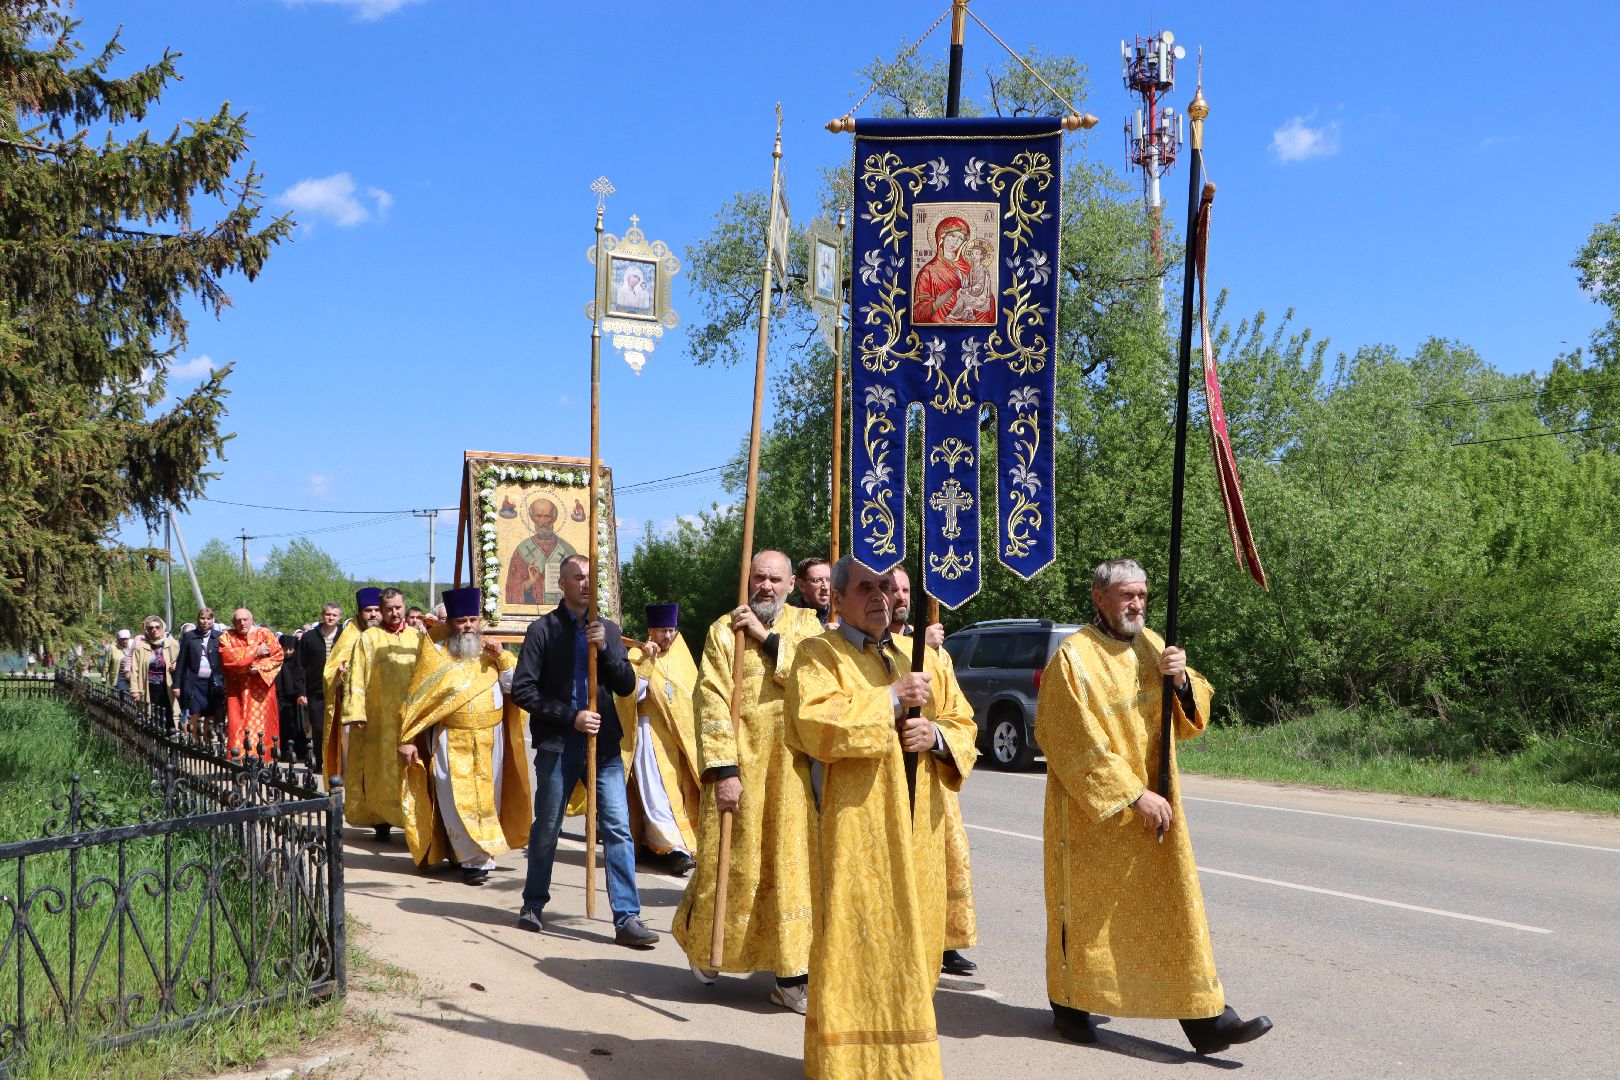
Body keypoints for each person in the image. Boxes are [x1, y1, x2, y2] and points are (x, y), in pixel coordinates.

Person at [1037, 558, 1272, 1055]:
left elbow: (1190, 720)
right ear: (1100, 598)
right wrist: (1132, 794)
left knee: (1174, 915)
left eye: (1142, 595)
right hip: (1094, 819)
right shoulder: (1073, 658)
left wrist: (1182, 680)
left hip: (1157, 812)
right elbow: (1067, 738)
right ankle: (1072, 1003)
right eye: (1127, 595)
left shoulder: (1153, 645)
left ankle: (1207, 1022)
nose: (1138, 604)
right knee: (1089, 916)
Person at [785, 556, 978, 1079]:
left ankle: (908, 1066)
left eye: (886, 588)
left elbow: (963, 722)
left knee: (913, 951)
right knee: (856, 947)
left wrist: (935, 737)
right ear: (839, 598)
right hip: (854, 834)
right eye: (866, 587)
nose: (880, 597)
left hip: (920, 833)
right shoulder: (818, 654)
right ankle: (844, 1064)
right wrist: (890, 700)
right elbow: (815, 723)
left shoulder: (925, 659)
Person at [674, 550, 824, 1013]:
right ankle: (710, 946)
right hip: (742, 770)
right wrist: (725, 771)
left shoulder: (807, 626)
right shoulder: (724, 631)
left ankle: (791, 976)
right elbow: (712, 704)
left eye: (774, 579)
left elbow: (819, 679)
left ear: (789, 584)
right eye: (758, 577)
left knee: (793, 871)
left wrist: (768, 639)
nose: (765, 586)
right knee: (731, 865)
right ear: (748, 580)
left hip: (794, 774)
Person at [510, 554, 656, 947]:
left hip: (603, 744)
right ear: (563, 583)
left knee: (618, 829)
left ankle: (628, 918)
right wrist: (569, 716)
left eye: (592, 577)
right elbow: (523, 689)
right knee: (547, 827)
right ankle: (533, 902)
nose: (586, 583)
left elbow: (626, 685)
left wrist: (607, 648)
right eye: (578, 577)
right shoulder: (542, 630)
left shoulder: (607, 628)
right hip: (559, 742)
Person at [397, 586, 532, 885]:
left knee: (488, 797)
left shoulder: (492, 654)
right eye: (462, 621)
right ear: (451, 623)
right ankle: (470, 860)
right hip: (451, 737)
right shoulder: (437, 656)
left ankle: (479, 853)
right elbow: (416, 701)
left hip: (490, 737)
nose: (468, 626)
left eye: (473, 619)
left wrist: (503, 659)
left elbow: (516, 689)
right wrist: (407, 738)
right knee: (453, 796)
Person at [885, 566, 979, 979]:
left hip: (933, 784)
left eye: (906, 589)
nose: (900, 597)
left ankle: (943, 940)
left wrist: (937, 736)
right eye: (891, 589)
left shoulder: (937, 657)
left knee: (943, 863)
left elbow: (962, 720)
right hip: (881, 787)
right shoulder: (855, 649)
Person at [616, 603, 700, 876]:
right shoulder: (636, 656)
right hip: (646, 730)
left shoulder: (681, 656)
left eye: (672, 630)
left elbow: (692, 693)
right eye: (663, 630)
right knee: (656, 790)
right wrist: (648, 662)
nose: (668, 636)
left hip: (678, 735)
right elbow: (631, 694)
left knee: (682, 787)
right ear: (650, 630)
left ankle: (690, 843)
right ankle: (671, 848)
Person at [339, 587, 423, 841]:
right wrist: (356, 711)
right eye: (388, 609)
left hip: (410, 715)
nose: (394, 613)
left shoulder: (418, 638)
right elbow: (355, 676)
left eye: (398, 607)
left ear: (404, 606)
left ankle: (412, 821)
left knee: (410, 768)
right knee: (379, 769)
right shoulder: (369, 638)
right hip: (378, 717)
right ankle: (380, 820)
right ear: (381, 610)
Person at [321, 588, 382, 786]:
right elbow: (328, 672)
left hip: (383, 705)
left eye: (376, 609)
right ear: (359, 612)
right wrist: (339, 673)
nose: (373, 614)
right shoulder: (350, 635)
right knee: (354, 754)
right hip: (355, 708)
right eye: (368, 610)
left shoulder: (387, 633)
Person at [217, 608, 284, 761]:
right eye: (238, 620)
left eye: (245, 619)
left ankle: (264, 759)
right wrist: (256, 650)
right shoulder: (226, 637)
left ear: (251, 619)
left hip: (262, 691)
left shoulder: (265, 633)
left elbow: (278, 655)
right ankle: (239, 759)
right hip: (238, 690)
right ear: (233, 622)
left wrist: (259, 667)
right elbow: (228, 658)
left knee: (263, 724)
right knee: (238, 723)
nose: (242, 623)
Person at [911, 216, 994, 325]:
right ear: (941, 237)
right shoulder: (928, 272)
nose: (955, 241)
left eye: (960, 238)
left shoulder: (970, 268)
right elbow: (917, 314)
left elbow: (987, 299)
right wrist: (936, 304)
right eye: (952, 235)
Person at [294, 601, 343, 773]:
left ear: (339, 617)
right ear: (322, 615)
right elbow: (299, 665)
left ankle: (338, 764)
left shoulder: (344, 636)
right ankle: (321, 762)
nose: (330, 617)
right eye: (328, 614)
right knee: (319, 729)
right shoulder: (309, 637)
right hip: (316, 690)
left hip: (340, 689)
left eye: (334, 615)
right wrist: (301, 691)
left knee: (339, 728)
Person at [503, 497, 578, 608]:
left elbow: (579, 585)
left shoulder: (568, 550)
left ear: (554, 518)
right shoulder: (521, 550)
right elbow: (512, 589)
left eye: (547, 516)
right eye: (538, 516)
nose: (543, 521)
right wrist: (530, 582)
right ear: (532, 518)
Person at [173, 607, 224, 736]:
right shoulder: (189, 636)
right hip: (193, 682)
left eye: (208, 618)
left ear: (212, 620)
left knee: (210, 713)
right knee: (194, 712)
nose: (205, 621)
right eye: (202, 618)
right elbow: (181, 662)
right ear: (198, 619)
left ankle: (207, 743)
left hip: (213, 683)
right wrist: (177, 685)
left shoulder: (219, 637)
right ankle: (195, 741)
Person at [129, 617, 179, 725]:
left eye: (157, 627)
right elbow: (134, 670)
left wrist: (176, 665)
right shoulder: (140, 647)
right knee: (152, 715)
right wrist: (134, 690)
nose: (154, 630)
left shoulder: (173, 645)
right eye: (150, 628)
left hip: (168, 686)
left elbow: (181, 663)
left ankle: (170, 735)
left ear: (163, 628)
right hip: (148, 686)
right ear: (147, 630)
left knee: (169, 714)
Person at [275, 633, 305, 761]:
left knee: (296, 725)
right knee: (282, 725)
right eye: (284, 649)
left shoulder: (298, 662)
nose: (287, 652)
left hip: (295, 698)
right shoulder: (276, 661)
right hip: (280, 697)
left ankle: (298, 752)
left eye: (290, 649)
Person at [788, 556, 832, 625]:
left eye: (828, 580)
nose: (826, 587)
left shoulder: (843, 617)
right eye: (817, 580)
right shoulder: (789, 619)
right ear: (801, 585)